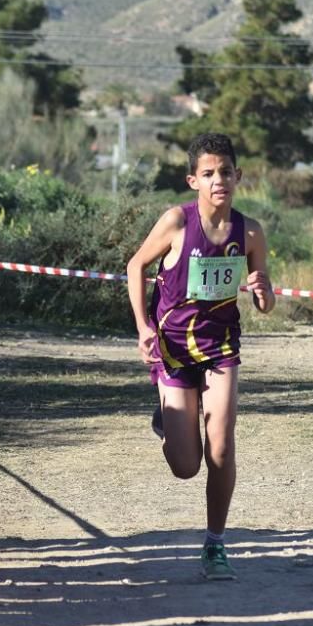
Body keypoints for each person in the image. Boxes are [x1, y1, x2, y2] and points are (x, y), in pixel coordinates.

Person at [126, 133, 275, 580]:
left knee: (223, 447)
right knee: (186, 466)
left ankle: (215, 545)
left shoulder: (249, 232)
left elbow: (264, 299)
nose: (218, 181)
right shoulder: (175, 222)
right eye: (208, 174)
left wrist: (264, 292)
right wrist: (143, 328)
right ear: (194, 180)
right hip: (173, 351)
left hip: (221, 348)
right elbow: (136, 266)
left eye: (226, 172)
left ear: (238, 177)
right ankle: (169, 423)